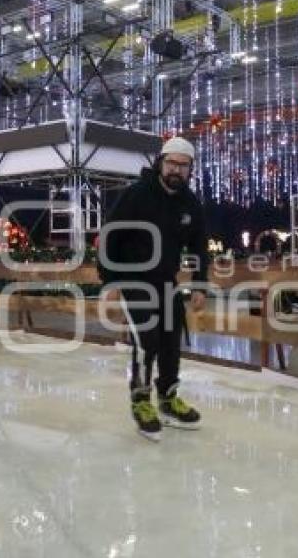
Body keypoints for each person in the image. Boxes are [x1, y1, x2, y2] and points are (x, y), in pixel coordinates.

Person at [99, 137, 208, 441]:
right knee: (147, 341)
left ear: (190, 169)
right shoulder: (136, 195)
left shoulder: (190, 203)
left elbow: (198, 244)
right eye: (171, 162)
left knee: (172, 341)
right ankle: (142, 402)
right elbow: (110, 236)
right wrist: (111, 281)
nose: (176, 169)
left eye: (183, 165)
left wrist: (200, 284)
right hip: (133, 280)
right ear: (161, 162)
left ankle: (168, 398)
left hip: (166, 284)